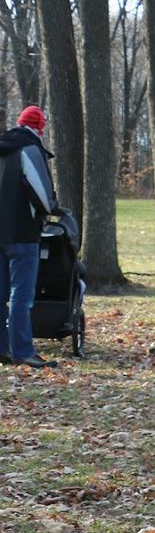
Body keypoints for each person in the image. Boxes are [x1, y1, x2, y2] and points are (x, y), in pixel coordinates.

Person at [0, 105, 59, 369]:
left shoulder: (3, 147)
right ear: (38, 128)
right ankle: (23, 351)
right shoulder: (30, 149)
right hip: (22, 233)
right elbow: (44, 196)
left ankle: (2, 349)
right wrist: (53, 208)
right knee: (21, 295)